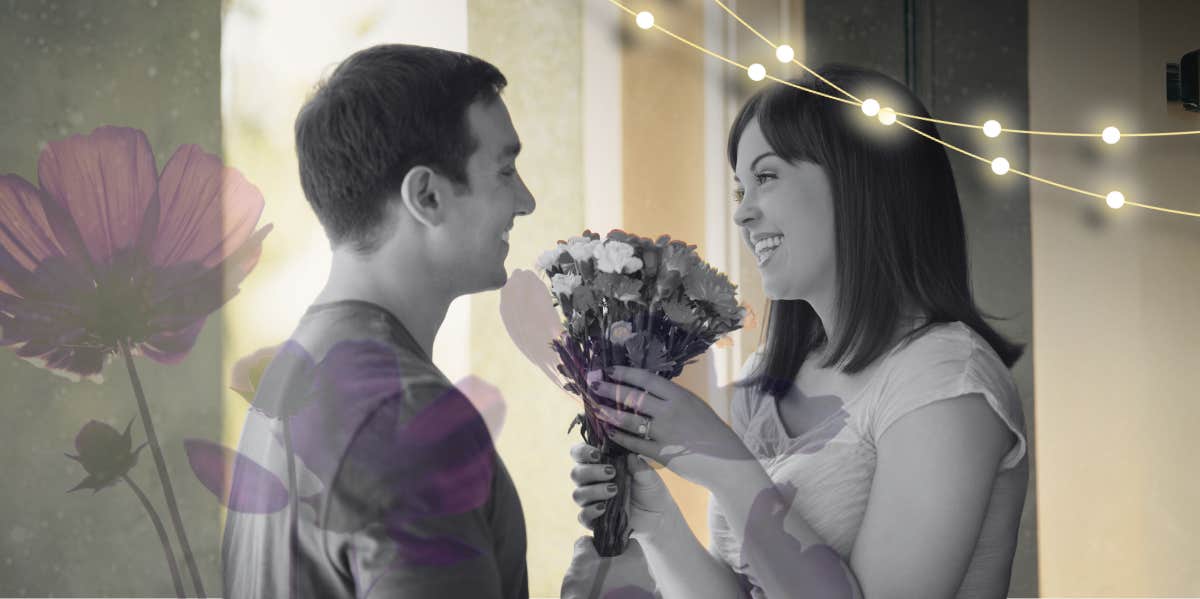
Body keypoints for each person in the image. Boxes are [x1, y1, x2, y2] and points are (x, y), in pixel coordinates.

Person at [566, 64, 1029, 599]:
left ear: (861, 181)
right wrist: (656, 523)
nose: (742, 214)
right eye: (740, 188)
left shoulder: (946, 379)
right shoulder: (767, 377)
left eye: (765, 177)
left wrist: (725, 465)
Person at [222, 44, 535, 599]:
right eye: (506, 170)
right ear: (427, 195)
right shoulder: (405, 416)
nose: (526, 200)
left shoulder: (293, 376)